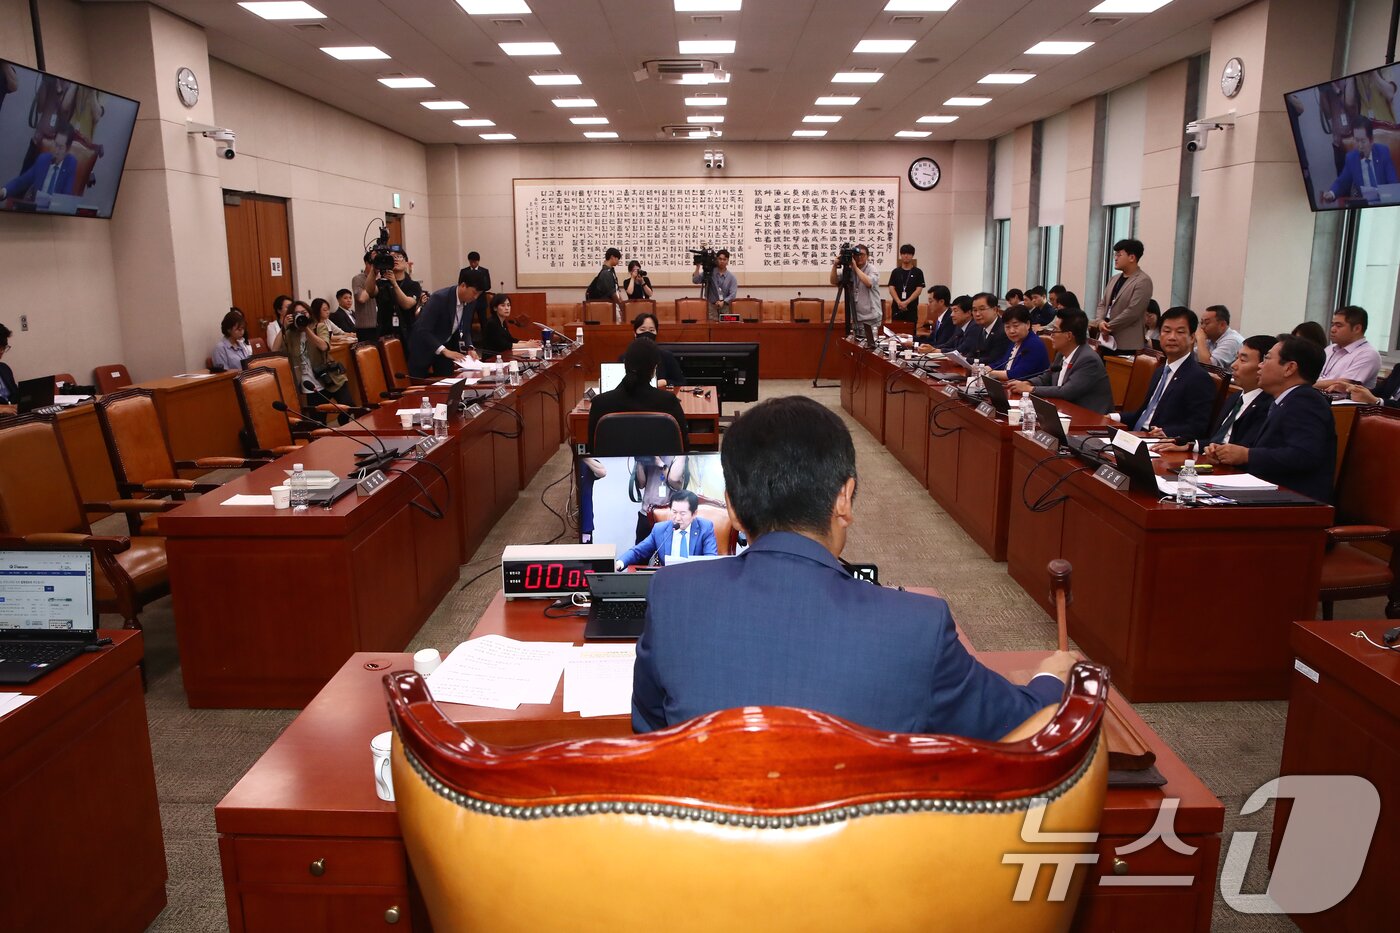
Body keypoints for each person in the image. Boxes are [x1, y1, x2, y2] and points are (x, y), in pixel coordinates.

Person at [631, 394, 1075, 737]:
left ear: (733, 509)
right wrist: (1050, 679)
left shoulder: (672, 594)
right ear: (844, 497)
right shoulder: (916, 625)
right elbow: (1019, 726)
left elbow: (651, 731)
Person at [1205, 335, 1336, 503]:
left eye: (1266, 358)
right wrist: (1226, 454)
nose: (1260, 365)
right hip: (1270, 493)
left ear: (1289, 368)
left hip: (1295, 502)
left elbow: (1304, 455)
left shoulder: (1306, 402)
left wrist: (1247, 455)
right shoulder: (1285, 400)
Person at [1164, 335, 1277, 450]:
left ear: (1263, 366)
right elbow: (1214, 440)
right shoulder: (1235, 398)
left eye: (1242, 360)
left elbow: (1243, 451)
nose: (1234, 365)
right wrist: (1188, 446)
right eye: (1236, 358)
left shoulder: (1269, 407)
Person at [1123, 306, 1216, 441]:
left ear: (1191, 338)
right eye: (1166, 331)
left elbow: (1197, 427)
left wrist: (1166, 433)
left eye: (1180, 332)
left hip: (1160, 444)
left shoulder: (1199, 378)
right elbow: (1144, 414)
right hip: (1136, 436)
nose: (1172, 337)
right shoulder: (1160, 370)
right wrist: (1113, 417)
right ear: (1160, 335)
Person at [586, 338, 687, 451]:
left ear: (625, 365)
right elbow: (684, 447)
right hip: (662, 467)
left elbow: (592, 449)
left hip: (610, 468)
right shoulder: (669, 401)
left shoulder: (600, 403)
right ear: (654, 369)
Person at [1008, 308, 1114, 414]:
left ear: (1069, 336)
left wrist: (1030, 389)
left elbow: (1067, 391)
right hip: (1063, 411)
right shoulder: (1061, 353)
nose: (1051, 334)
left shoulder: (1088, 360)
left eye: (1054, 330)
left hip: (1089, 419)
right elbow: (1047, 377)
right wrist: (1028, 382)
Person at [283, 299, 353, 423]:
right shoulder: (291, 334)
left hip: (330, 377)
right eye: (297, 313)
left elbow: (324, 346)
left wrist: (306, 330)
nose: (301, 316)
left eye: (304, 312)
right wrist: (283, 328)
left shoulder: (319, 326)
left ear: (309, 313)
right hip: (309, 383)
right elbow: (274, 349)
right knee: (318, 422)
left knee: (348, 406)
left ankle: (343, 427)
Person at [617, 490, 718, 568]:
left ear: (694, 514)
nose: (677, 518)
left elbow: (711, 560)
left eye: (682, 513)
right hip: (667, 581)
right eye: (674, 512)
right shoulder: (660, 529)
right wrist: (620, 562)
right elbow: (638, 552)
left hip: (696, 581)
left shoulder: (705, 528)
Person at [408, 271, 481, 378]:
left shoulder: (470, 302)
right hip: (423, 347)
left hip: (445, 348)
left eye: (479, 294)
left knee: (449, 381)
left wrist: (470, 347)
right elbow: (423, 330)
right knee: (419, 386)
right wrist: (444, 351)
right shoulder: (439, 298)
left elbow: (465, 328)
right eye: (474, 292)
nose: (476, 297)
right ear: (463, 285)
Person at [1092, 238, 1153, 353]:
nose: (1115, 258)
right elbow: (1103, 304)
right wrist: (1100, 322)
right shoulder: (1114, 279)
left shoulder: (1143, 281)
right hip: (1105, 338)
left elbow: (1133, 311)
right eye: (1115, 255)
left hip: (1126, 343)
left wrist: (1108, 326)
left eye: (1119, 255)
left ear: (1132, 257)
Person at [1322, 118, 1397, 204]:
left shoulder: (1383, 152)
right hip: (1365, 204)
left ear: (1371, 140)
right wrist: (1331, 194)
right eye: (1356, 140)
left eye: (1363, 141)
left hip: (1385, 201)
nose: (1359, 146)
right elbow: (1342, 183)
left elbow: (1393, 183)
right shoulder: (1351, 158)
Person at [0, 122, 77, 202]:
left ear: (68, 149)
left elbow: (66, 197)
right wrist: (3, 191)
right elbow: (21, 181)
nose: (56, 150)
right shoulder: (43, 160)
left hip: (56, 211)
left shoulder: (71, 164)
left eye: (60, 147)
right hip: (36, 209)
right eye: (55, 144)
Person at [1315, 305, 1382, 391]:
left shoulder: (1368, 354)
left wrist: (1304, 384)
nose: (1332, 329)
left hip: (1343, 402)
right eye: (1332, 325)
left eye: (1338, 326)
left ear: (1357, 328)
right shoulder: (1329, 349)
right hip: (1317, 394)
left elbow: (1343, 384)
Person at [366, 246, 422, 342]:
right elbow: (370, 291)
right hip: (385, 335)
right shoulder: (382, 283)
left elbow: (407, 304)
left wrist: (394, 284)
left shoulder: (413, 285)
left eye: (399, 256)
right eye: (392, 257)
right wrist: (374, 269)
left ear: (406, 263)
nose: (395, 259)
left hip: (407, 335)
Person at [829, 244, 881, 338]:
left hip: (871, 318)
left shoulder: (872, 269)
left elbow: (868, 283)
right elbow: (833, 281)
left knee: (869, 347)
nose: (859, 257)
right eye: (856, 255)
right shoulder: (849, 270)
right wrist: (835, 265)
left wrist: (855, 267)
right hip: (856, 318)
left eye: (862, 255)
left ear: (868, 256)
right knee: (856, 348)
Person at [990, 305, 1050, 382]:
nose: (1011, 331)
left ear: (1028, 324)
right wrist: (988, 368)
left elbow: (1019, 374)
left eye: (1015, 326)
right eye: (1007, 327)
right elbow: (1003, 363)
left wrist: (990, 373)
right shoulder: (1015, 341)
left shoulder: (1034, 344)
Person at [625, 312, 684, 387]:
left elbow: (681, 382)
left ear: (656, 333)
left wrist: (664, 382)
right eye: (642, 330)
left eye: (651, 330)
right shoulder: (625, 358)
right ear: (635, 333)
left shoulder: (666, 356)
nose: (647, 333)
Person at [956, 291, 1011, 368]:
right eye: (974, 310)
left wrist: (966, 360)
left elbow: (994, 359)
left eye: (982, 309)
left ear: (995, 310)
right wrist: (960, 358)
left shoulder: (1003, 330)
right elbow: (973, 351)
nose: (977, 314)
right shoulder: (977, 327)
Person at [692, 249, 738, 321]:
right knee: (712, 329)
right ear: (716, 259)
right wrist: (698, 267)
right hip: (711, 306)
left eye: (724, 259)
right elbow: (695, 280)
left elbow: (733, 294)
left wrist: (723, 302)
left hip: (725, 307)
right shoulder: (709, 272)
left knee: (725, 328)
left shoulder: (732, 278)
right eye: (720, 259)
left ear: (727, 261)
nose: (722, 261)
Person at [886, 243, 925, 324]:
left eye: (909, 254)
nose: (906, 256)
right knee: (896, 333)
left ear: (912, 255)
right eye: (904, 253)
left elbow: (919, 290)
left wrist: (906, 302)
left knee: (911, 334)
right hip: (897, 308)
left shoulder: (918, 272)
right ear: (900, 255)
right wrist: (899, 302)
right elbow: (891, 288)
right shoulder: (895, 272)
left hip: (911, 308)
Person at [586, 247, 627, 323]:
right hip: (609, 307)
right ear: (612, 257)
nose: (618, 261)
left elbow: (616, 290)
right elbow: (613, 293)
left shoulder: (610, 271)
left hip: (612, 306)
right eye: (617, 258)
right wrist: (621, 305)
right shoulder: (606, 273)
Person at [477, 293, 518, 358]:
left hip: (502, 357)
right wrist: (528, 345)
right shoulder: (492, 323)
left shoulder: (502, 322)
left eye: (508, 305)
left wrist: (527, 343)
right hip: (491, 359)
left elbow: (511, 339)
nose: (507, 308)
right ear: (495, 308)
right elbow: (505, 345)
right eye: (503, 305)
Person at [457, 251, 491, 329]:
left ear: (478, 261)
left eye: (474, 262)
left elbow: (488, 285)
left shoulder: (484, 271)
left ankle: (485, 340)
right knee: (468, 321)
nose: (473, 264)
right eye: (471, 262)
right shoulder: (464, 271)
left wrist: (477, 291)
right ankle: (469, 340)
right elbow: (460, 284)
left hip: (481, 300)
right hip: (468, 300)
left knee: (483, 322)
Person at [351, 254, 377, 339]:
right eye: (374, 264)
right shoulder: (358, 279)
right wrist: (373, 280)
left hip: (381, 326)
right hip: (366, 328)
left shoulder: (384, 278)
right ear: (366, 263)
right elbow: (361, 298)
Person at [0, 323, 17, 415]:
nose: (1, 352)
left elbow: (16, 395)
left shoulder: (4, 368)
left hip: (13, 417)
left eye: (3, 348)